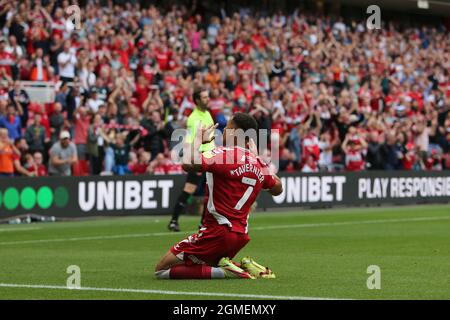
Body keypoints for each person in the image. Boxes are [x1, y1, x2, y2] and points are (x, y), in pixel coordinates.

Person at [155, 113, 283, 279]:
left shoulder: (222, 154)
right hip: (240, 237)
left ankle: (225, 272)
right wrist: (259, 159)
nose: (222, 132)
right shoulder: (258, 162)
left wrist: (198, 140)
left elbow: (187, 163)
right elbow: (278, 188)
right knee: (204, 263)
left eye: (227, 128)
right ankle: (240, 266)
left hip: (216, 232)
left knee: (161, 270)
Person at [168, 86, 215, 232]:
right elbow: (190, 140)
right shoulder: (194, 119)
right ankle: (174, 221)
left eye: (208, 96)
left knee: (211, 192)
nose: (208, 99)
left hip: (211, 157)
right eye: (205, 97)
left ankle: (203, 224)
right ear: (197, 100)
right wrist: (195, 160)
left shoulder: (207, 114)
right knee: (190, 189)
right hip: (201, 158)